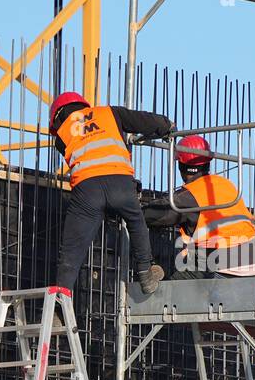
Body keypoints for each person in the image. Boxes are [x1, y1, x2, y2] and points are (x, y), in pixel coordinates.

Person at [49, 92, 170, 294]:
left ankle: (60, 305)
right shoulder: (109, 113)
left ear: (58, 116)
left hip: (86, 191)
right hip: (119, 182)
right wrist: (165, 125)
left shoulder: (61, 135)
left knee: (71, 250)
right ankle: (145, 273)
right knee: (136, 221)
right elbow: (143, 121)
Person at [142, 134, 255, 279]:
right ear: (208, 163)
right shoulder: (226, 184)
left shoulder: (190, 196)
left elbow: (157, 214)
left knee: (170, 292)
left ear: (181, 165)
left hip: (223, 264)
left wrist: (132, 208)